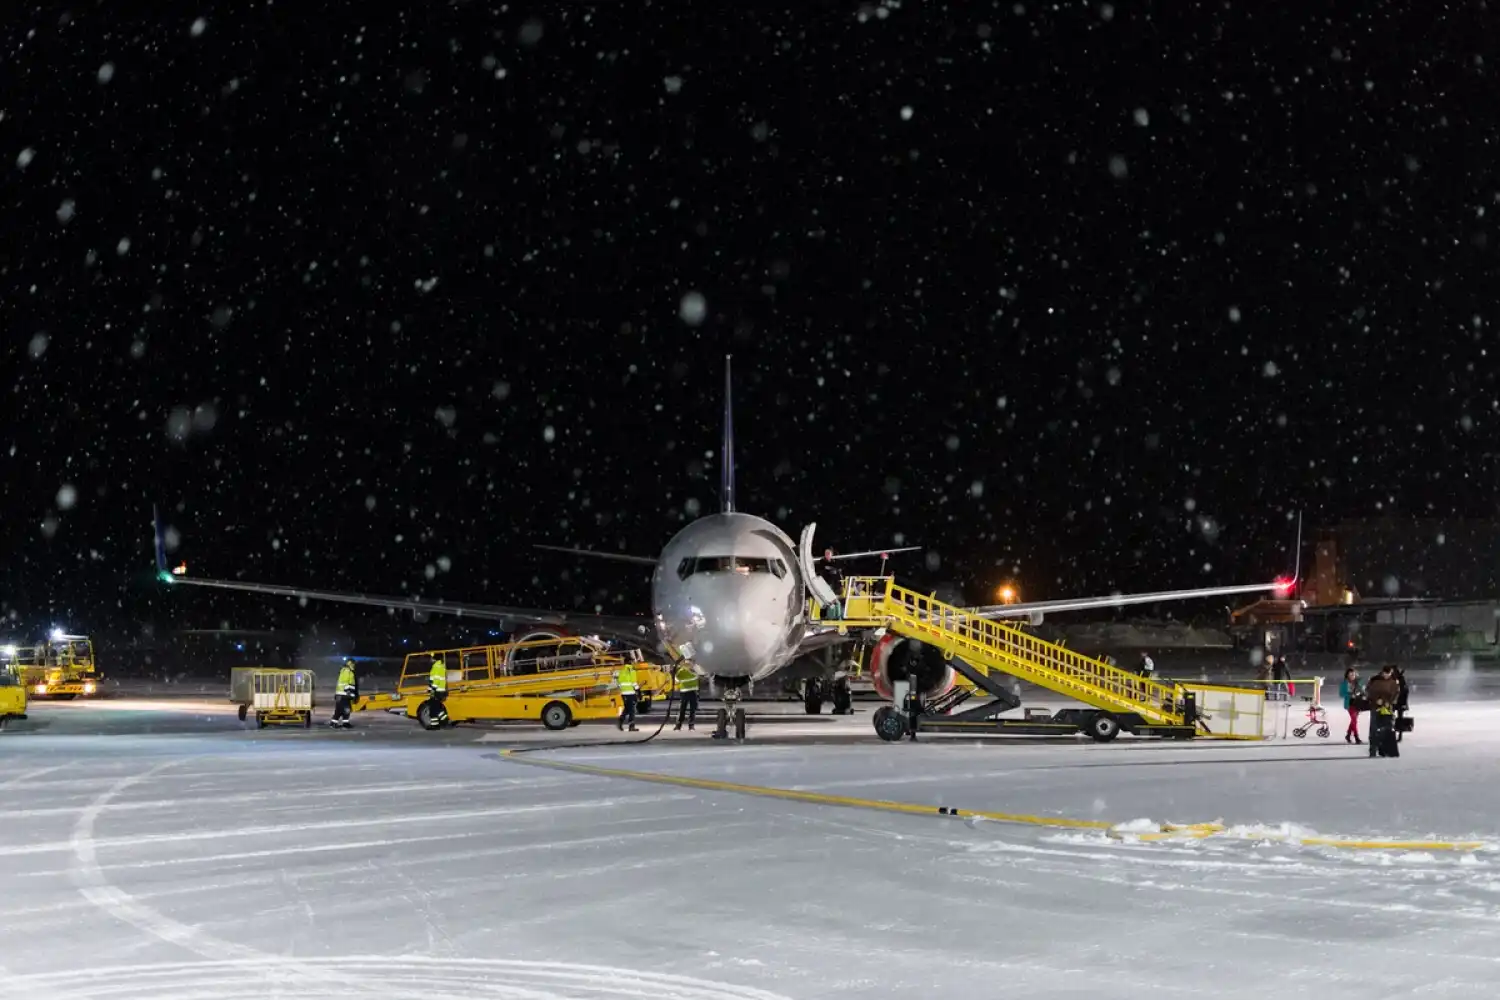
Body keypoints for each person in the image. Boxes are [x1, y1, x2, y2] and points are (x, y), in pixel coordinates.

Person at [1365, 664, 1401, 758]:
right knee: (1374, 729)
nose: (1386, 675)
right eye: (1385, 673)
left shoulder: (1394, 682)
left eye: (1388, 673)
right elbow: (1369, 691)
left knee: (1387, 729)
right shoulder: (1375, 680)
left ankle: (1384, 749)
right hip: (1375, 707)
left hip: (1387, 709)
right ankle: (1373, 750)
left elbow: (1396, 694)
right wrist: (1376, 699)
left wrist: (1389, 702)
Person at [330, 657, 358, 729]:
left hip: (340, 694)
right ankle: (345, 724)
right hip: (344, 695)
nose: (354, 666)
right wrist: (351, 693)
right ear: (351, 664)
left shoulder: (344, 670)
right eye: (354, 664)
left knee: (339, 710)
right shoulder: (347, 671)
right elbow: (346, 684)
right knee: (346, 709)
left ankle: (333, 723)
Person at [1339, 665, 1363, 745]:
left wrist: (1361, 693)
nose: (1352, 676)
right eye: (1351, 675)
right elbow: (1341, 694)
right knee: (1354, 720)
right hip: (1350, 704)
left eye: (1354, 674)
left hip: (1358, 703)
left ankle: (1348, 735)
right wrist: (1350, 695)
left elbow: (1363, 691)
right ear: (1347, 675)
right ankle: (1356, 737)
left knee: (1353, 721)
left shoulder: (1358, 682)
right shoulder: (1344, 683)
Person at [673, 662, 699, 731]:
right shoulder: (681, 671)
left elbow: (697, 675)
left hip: (693, 691)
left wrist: (690, 672)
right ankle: (678, 725)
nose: (689, 666)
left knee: (693, 710)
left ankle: (691, 726)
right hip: (684, 692)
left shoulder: (695, 670)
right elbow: (676, 679)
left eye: (690, 664)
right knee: (682, 709)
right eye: (687, 664)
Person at [426, 655, 450, 728]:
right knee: (436, 707)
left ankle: (443, 721)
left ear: (434, 659)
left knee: (433, 708)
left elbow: (436, 680)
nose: (430, 659)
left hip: (437, 691)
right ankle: (438, 723)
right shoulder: (441, 666)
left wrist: (432, 689)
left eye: (431, 658)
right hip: (440, 690)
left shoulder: (436, 667)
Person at [616, 661, 639, 731]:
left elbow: (618, 682)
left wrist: (621, 689)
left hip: (623, 693)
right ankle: (631, 726)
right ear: (631, 662)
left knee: (627, 709)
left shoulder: (620, 670)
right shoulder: (631, 670)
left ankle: (621, 721)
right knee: (632, 710)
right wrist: (638, 690)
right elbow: (633, 682)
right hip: (631, 693)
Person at [1394, 666, 1410, 742]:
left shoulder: (1400, 680)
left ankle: (1399, 736)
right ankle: (1397, 735)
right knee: (1397, 719)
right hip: (1397, 702)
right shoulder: (1398, 679)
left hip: (1399, 702)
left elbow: (1405, 691)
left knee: (1398, 719)